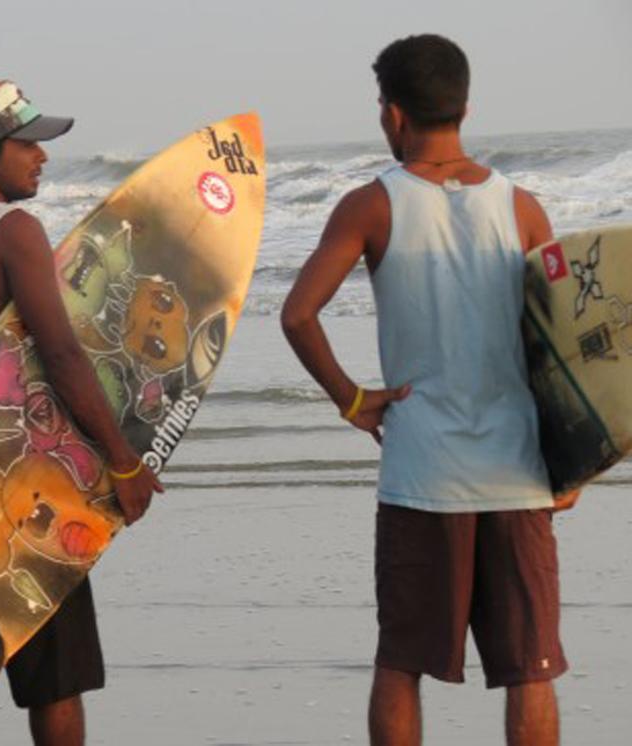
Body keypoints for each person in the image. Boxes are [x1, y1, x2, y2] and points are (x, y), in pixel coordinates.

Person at [281, 35, 577, 746]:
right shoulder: (524, 208)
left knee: (403, 662)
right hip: (518, 470)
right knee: (530, 670)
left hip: (422, 474)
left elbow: (297, 315)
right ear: (465, 106)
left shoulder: (370, 207)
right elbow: (565, 349)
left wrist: (353, 400)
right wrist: (573, 462)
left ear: (392, 114)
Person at [0, 80, 162, 746]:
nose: (42, 158)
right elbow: (64, 355)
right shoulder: (14, 230)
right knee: (56, 681)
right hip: (24, 493)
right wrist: (123, 462)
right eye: (29, 146)